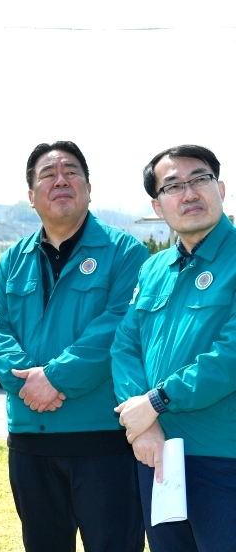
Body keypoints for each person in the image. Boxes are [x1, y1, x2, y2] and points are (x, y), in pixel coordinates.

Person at [0, 141, 149, 551]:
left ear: (89, 188)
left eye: (71, 172)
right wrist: (26, 382)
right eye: (47, 175)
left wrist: (54, 377)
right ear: (31, 197)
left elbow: (118, 326)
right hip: (30, 441)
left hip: (103, 441)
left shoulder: (125, 253)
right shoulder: (13, 259)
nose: (61, 180)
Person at [112, 145, 236, 550]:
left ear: (220, 187)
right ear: (157, 204)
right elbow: (125, 345)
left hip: (223, 459)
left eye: (200, 180)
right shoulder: (153, 268)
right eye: (173, 186)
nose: (189, 194)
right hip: (159, 456)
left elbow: (229, 355)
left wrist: (158, 400)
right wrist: (145, 420)